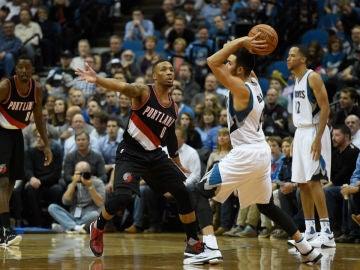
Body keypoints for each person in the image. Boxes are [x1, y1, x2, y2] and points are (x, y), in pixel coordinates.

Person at [184, 35, 322, 264]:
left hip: (246, 152)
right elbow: (241, 61)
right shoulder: (254, 81)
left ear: (239, 70)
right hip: (260, 150)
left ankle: (209, 247)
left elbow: (211, 61)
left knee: (198, 192)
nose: (226, 65)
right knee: (265, 205)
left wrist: (241, 41)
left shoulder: (240, 88)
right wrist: (249, 45)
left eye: (230, 63)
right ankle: (305, 247)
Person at [76, 59, 204, 260]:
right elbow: (122, 86)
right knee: (123, 197)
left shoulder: (174, 107)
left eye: (171, 69)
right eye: (164, 69)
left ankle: (192, 241)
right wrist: (97, 79)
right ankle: (98, 226)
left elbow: (170, 135)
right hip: (130, 152)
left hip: (154, 154)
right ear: (154, 76)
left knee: (182, 191)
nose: (170, 72)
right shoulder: (144, 92)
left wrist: (177, 162)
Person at [0, 56, 53, 246]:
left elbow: (38, 118)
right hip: (1, 134)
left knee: (11, 183)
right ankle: (5, 230)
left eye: (27, 67)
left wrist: (46, 145)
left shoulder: (36, 89)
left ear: (32, 70)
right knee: (2, 181)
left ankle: (2, 229)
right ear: (15, 70)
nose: (23, 70)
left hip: (16, 135)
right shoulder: (5, 86)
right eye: (20, 67)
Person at [287, 44, 336, 248]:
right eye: (288, 55)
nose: (288, 58)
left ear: (303, 59)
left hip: (315, 130)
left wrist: (318, 138)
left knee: (315, 181)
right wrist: (295, 139)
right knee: (302, 183)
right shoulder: (295, 79)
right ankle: (310, 230)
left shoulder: (312, 77)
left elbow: (325, 107)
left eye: (293, 55)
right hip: (301, 132)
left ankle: (327, 233)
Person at [48, 161, 105, 233]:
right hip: (73, 216)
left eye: (84, 173)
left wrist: (90, 187)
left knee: (95, 215)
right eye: (79, 173)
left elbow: (100, 203)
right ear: (75, 173)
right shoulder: (73, 184)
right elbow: (65, 201)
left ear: (90, 172)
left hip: (88, 217)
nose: (82, 176)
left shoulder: (98, 183)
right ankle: (75, 227)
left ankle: (68, 227)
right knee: (52, 207)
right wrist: (73, 183)